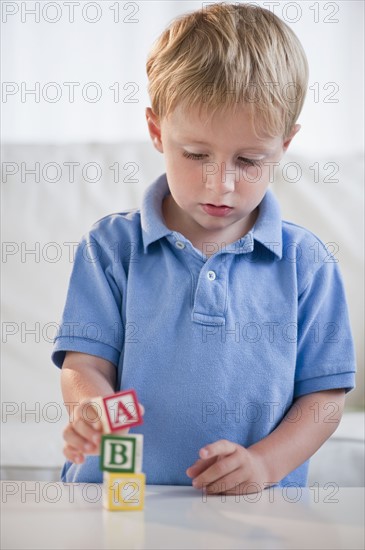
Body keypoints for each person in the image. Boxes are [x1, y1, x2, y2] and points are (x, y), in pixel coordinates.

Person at [52, 3, 356, 493]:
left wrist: (264, 466)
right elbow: (84, 365)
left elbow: (324, 397)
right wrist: (92, 408)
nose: (222, 185)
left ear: (284, 145)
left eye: (249, 159)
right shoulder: (110, 248)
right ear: (156, 132)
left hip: (252, 513)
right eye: (196, 155)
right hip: (114, 495)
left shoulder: (308, 264)